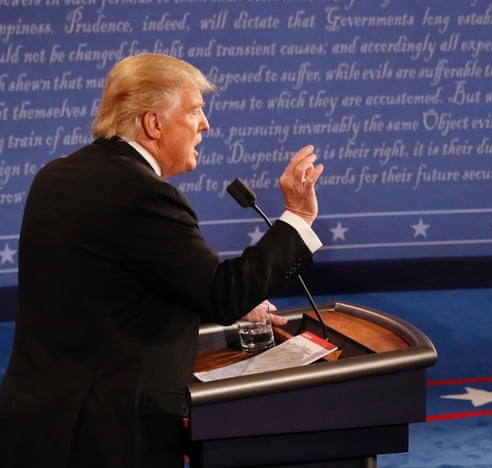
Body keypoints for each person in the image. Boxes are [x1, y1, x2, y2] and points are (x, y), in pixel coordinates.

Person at [0, 53, 324, 468]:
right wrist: (297, 216)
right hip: (105, 435)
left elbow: (109, 291)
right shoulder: (140, 192)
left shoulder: (57, 174)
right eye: (193, 112)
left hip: (39, 420)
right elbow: (223, 294)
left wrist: (223, 305)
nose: (205, 125)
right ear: (154, 124)